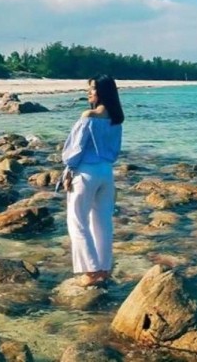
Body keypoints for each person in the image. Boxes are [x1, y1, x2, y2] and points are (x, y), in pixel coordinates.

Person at [61, 75, 124, 286]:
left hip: (86, 172)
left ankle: (90, 271)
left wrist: (69, 170)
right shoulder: (116, 118)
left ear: (102, 92)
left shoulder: (89, 115)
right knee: (103, 222)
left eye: (93, 89)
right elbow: (115, 150)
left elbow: (75, 148)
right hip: (106, 172)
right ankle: (104, 269)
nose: (89, 92)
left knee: (77, 221)